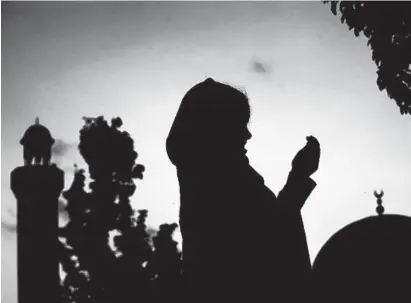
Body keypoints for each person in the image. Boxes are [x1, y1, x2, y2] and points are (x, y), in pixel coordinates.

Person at [166, 78, 320, 303]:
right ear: (218, 129)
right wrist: (298, 178)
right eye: (240, 124)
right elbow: (273, 241)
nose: (247, 135)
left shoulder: (208, 178)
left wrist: (298, 177)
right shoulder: (224, 182)